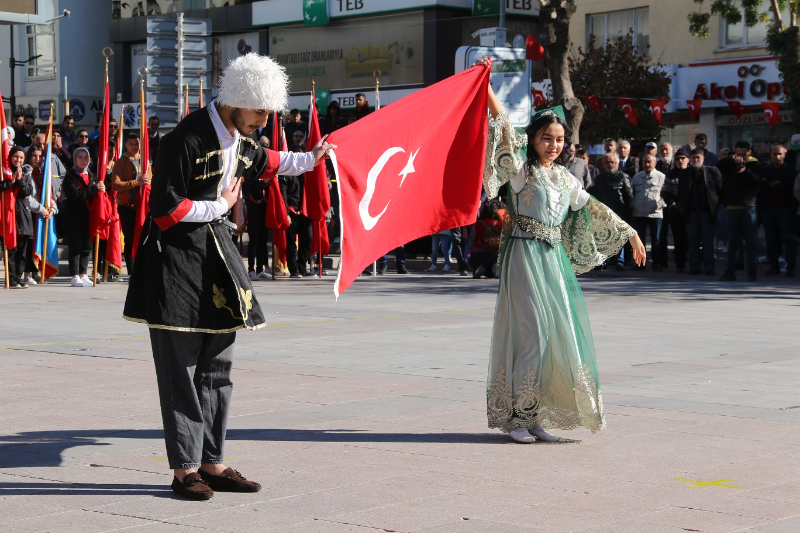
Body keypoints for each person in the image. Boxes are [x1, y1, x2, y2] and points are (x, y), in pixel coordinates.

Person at [122, 54, 336, 500]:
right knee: (179, 368)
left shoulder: (240, 136)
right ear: (237, 100)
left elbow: (270, 161)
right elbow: (164, 212)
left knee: (219, 365)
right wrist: (220, 206)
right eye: (259, 111)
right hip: (174, 261)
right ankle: (184, 470)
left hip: (216, 257)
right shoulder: (185, 138)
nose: (263, 120)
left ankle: (212, 461)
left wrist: (313, 160)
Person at [479, 59, 645, 443]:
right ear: (533, 139)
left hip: (552, 261)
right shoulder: (523, 172)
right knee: (532, 332)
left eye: (559, 139)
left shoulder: (563, 176)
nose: (554, 146)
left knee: (555, 334)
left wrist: (630, 232)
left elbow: (591, 208)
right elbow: (504, 125)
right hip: (523, 257)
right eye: (546, 138)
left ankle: (535, 417)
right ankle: (517, 418)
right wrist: (486, 85)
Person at [0, 147, 56, 288]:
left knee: (22, 250)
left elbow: (27, 191)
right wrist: (11, 181)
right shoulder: (4, 172)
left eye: (21, 157)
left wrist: (19, 180)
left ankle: (18, 277)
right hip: (9, 214)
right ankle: (11, 278)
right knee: (11, 249)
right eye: (15, 157)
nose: (18, 160)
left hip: (23, 215)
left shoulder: (25, 173)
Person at [62, 147, 105, 287]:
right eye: (79, 157)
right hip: (74, 217)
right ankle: (74, 275)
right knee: (75, 246)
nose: (82, 160)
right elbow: (75, 196)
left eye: (85, 157)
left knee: (87, 247)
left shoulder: (92, 176)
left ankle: (83, 273)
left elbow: (96, 194)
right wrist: (94, 189)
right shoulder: (69, 176)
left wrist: (102, 189)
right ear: (74, 159)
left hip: (89, 216)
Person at [111, 133, 151, 274]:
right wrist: (136, 183)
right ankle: (132, 271)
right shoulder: (121, 162)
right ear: (126, 145)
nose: (134, 147)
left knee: (144, 238)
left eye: (137, 144)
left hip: (143, 208)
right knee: (130, 239)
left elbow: (151, 182)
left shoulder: (146, 162)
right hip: (127, 206)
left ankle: (143, 269)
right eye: (131, 144)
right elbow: (115, 185)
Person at [679, 148, 722, 276]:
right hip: (691, 212)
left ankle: (709, 267)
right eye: (693, 158)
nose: (695, 160)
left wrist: (716, 207)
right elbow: (681, 193)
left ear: (703, 159)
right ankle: (694, 267)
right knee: (692, 242)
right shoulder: (685, 173)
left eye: (698, 158)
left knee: (708, 242)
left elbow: (720, 190)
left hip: (707, 212)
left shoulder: (712, 171)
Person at [588, 152, 633, 270]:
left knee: (618, 238)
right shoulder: (599, 178)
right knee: (602, 238)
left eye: (612, 162)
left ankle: (619, 261)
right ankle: (603, 261)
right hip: (602, 214)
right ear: (603, 164)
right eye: (607, 162)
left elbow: (629, 196)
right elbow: (595, 195)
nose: (609, 164)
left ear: (617, 163)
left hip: (618, 213)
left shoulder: (622, 177)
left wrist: (627, 213)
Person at [758, 144, 796, 277]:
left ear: (784, 155)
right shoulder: (765, 170)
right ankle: (774, 266)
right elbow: (762, 186)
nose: (777, 157)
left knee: (788, 240)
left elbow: (787, 187)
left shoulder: (791, 171)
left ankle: (790, 267)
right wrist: (773, 184)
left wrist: (770, 184)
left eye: (780, 154)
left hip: (785, 210)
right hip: (768, 210)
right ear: (771, 155)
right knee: (771, 240)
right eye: (775, 154)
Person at [630, 155, 666, 271]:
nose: (647, 164)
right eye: (645, 162)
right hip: (639, 213)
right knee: (640, 240)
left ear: (655, 163)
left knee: (656, 240)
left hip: (655, 214)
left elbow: (666, 195)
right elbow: (632, 193)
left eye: (649, 162)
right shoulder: (636, 177)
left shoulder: (661, 177)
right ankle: (640, 263)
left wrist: (659, 205)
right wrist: (634, 205)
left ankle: (657, 263)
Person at [659, 148, 689, 271]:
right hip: (675, 212)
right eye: (677, 158)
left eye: (683, 158)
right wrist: (673, 204)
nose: (680, 161)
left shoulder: (692, 172)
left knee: (691, 239)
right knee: (678, 239)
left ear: (688, 159)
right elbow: (665, 193)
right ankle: (680, 265)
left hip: (691, 210)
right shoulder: (670, 174)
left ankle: (696, 264)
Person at [468, 202, 502, 278]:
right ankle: (495, 267)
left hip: (479, 253)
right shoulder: (500, 224)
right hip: (496, 254)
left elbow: (471, 241)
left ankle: (479, 267)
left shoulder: (477, 224)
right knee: (490, 274)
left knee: (472, 260)